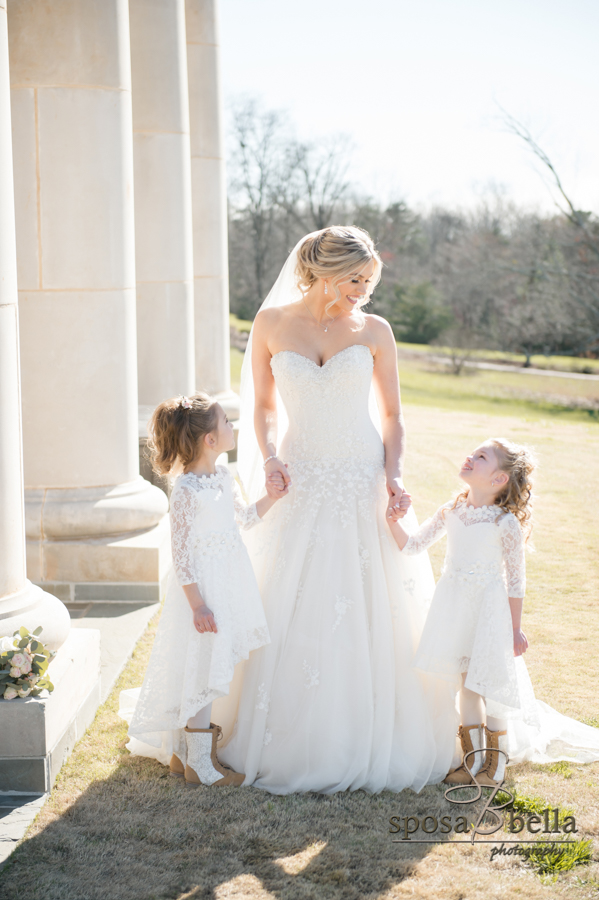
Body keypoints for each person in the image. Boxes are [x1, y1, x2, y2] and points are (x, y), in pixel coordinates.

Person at [214, 226, 458, 793]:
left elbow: (394, 415)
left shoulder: (375, 331)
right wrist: (270, 456)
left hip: (360, 474)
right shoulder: (271, 325)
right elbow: (264, 406)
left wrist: (393, 474)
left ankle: (375, 725)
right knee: (290, 593)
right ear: (325, 272)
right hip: (298, 473)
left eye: (369, 282)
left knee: (373, 597)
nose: (363, 293)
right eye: (355, 280)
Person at [388, 437, 599, 785]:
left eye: (481, 456)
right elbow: (413, 545)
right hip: (455, 609)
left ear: (499, 479)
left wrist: (514, 629)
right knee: (466, 686)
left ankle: (496, 767)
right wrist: (392, 521)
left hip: (490, 612)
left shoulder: (505, 524)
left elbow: (516, 582)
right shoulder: (451, 511)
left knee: (492, 685)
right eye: (473, 452)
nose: (470, 456)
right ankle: (473, 763)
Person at [119, 393, 283, 786]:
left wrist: (271, 498)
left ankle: (184, 755)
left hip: (228, 580)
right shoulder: (187, 490)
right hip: (204, 592)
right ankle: (200, 765)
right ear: (210, 439)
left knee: (213, 662)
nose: (232, 428)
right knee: (205, 669)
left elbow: (243, 518)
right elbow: (181, 555)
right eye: (226, 423)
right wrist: (197, 605)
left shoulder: (224, 477)